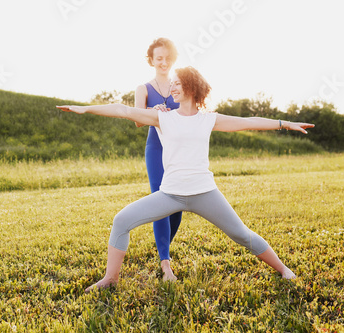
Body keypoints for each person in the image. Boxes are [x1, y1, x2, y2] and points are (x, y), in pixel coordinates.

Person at [56, 66, 314, 293]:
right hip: (170, 194)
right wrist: (86, 108)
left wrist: (284, 123)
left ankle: (283, 269)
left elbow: (248, 122)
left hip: (205, 193)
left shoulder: (209, 119)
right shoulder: (162, 117)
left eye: (177, 83)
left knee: (242, 235)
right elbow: (123, 110)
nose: (172, 87)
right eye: (172, 84)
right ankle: (111, 278)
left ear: (191, 86)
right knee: (121, 220)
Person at [135, 38, 182, 282]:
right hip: (156, 149)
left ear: (173, 59)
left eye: (167, 58)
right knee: (161, 201)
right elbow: (137, 119)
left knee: (179, 205)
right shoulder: (144, 89)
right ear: (152, 60)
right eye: (159, 58)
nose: (163, 62)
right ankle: (165, 264)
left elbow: (192, 111)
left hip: (180, 150)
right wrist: (154, 112)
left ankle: (162, 249)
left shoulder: (179, 85)